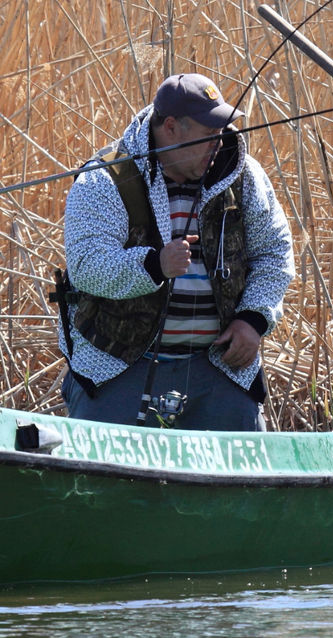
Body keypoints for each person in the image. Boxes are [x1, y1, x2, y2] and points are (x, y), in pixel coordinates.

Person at [57, 73, 294, 431]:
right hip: (117, 364)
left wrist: (254, 319)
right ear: (170, 127)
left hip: (219, 365)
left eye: (221, 131)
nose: (219, 143)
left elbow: (275, 252)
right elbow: (86, 265)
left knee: (239, 486)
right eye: (208, 134)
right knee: (99, 484)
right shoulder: (104, 179)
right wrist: (154, 266)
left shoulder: (245, 176)